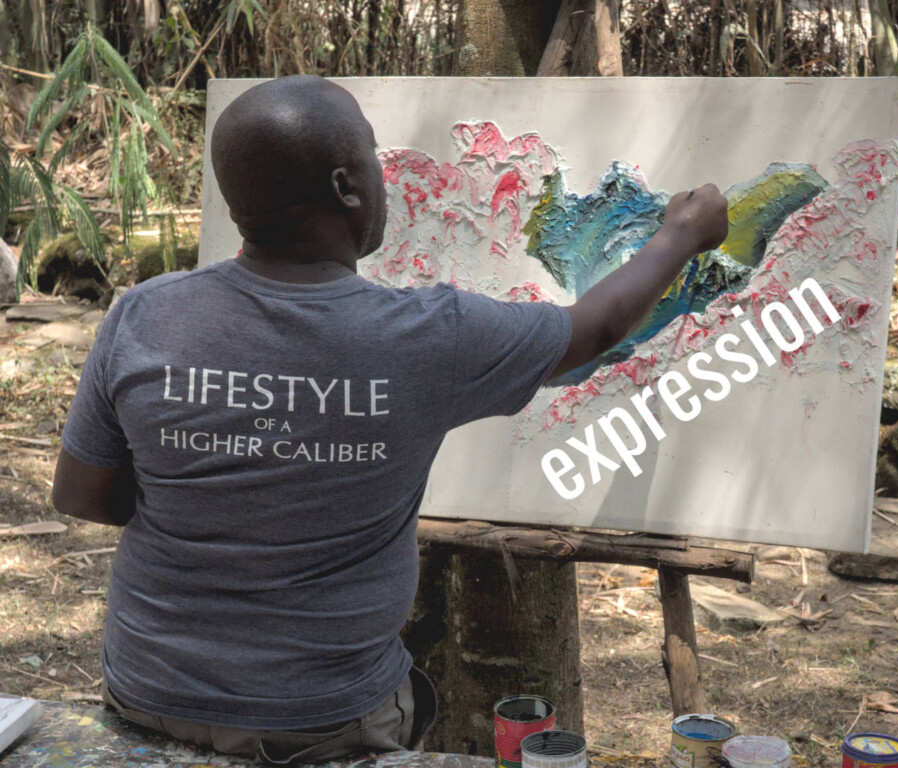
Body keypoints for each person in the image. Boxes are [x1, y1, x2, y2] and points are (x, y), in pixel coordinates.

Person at [51, 75, 728, 763]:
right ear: (347, 188)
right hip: (322, 722)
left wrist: (228, 470)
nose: (384, 175)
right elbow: (595, 327)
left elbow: (84, 496)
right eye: (375, 158)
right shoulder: (426, 337)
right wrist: (682, 234)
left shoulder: (144, 313)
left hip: (147, 690)